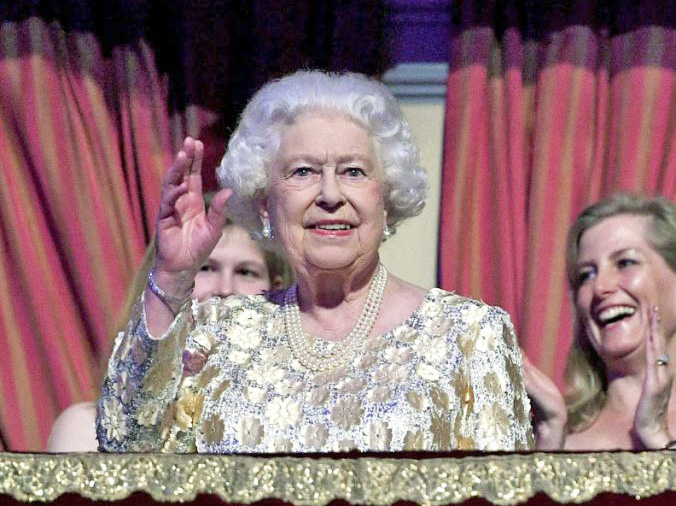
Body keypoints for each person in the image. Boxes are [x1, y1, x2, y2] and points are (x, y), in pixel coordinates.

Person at [97, 70, 533, 453]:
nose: (329, 195)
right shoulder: (214, 335)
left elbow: (502, 493)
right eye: (303, 172)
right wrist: (173, 277)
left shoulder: (470, 335)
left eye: (354, 172)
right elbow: (125, 444)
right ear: (266, 204)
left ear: (387, 199)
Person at [46, 221, 287, 452]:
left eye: (246, 272)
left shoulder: (289, 426)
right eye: (205, 267)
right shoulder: (86, 430)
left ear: (277, 290)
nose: (225, 289)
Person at [523, 194, 676, 450]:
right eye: (586, 275)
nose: (600, 287)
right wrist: (549, 443)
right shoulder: (554, 433)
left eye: (625, 262)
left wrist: (656, 436)